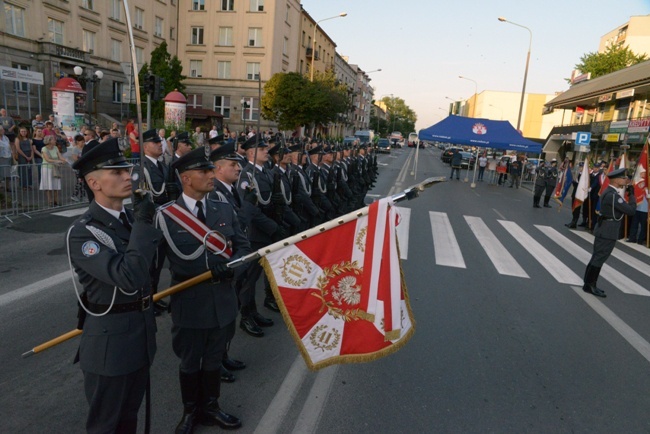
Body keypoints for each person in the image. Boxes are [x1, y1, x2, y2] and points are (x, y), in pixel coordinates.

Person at [67, 137, 162, 433]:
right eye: (117, 172)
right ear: (94, 183)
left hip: (139, 335)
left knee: (128, 419)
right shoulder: (84, 233)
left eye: (126, 170)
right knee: (106, 425)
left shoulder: (129, 220)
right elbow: (129, 276)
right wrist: (145, 224)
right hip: (111, 346)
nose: (128, 176)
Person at [156, 147, 249, 433]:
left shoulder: (223, 207)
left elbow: (244, 248)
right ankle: (190, 412)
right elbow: (153, 265)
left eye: (212, 170)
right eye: (204, 171)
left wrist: (232, 267)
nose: (211, 175)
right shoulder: (167, 216)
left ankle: (211, 407)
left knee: (213, 358)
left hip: (222, 299)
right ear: (186, 178)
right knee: (189, 361)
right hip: (190, 303)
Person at [583, 168, 636, 297]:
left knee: (597, 257)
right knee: (599, 258)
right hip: (607, 231)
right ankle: (590, 285)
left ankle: (588, 284)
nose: (625, 180)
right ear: (617, 180)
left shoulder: (610, 192)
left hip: (605, 229)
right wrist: (632, 195)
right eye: (623, 178)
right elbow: (631, 211)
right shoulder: (613, 196)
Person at [39, 135, 67, 206]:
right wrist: (57, 161)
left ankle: (56, 200)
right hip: (47, 169)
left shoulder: (55, 148)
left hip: (55, 168)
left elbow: (60, 156)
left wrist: (65, 160)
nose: (55, 141)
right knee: (48, 185)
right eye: (54, 140)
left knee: (56, 184)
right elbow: (47, 159)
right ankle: (50, 201)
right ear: (49, 141)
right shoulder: (44, 149)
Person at [69, 134, 86, 202]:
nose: (83, 143)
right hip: (77, 168)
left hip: (83, 167)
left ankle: (82, 196)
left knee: (83, 183)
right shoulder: (75, 149)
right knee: (80, 182)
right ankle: (74, 195)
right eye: (82, 142)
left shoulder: (84, 148)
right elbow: (75, 158)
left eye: (83, 142)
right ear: (78, 142)